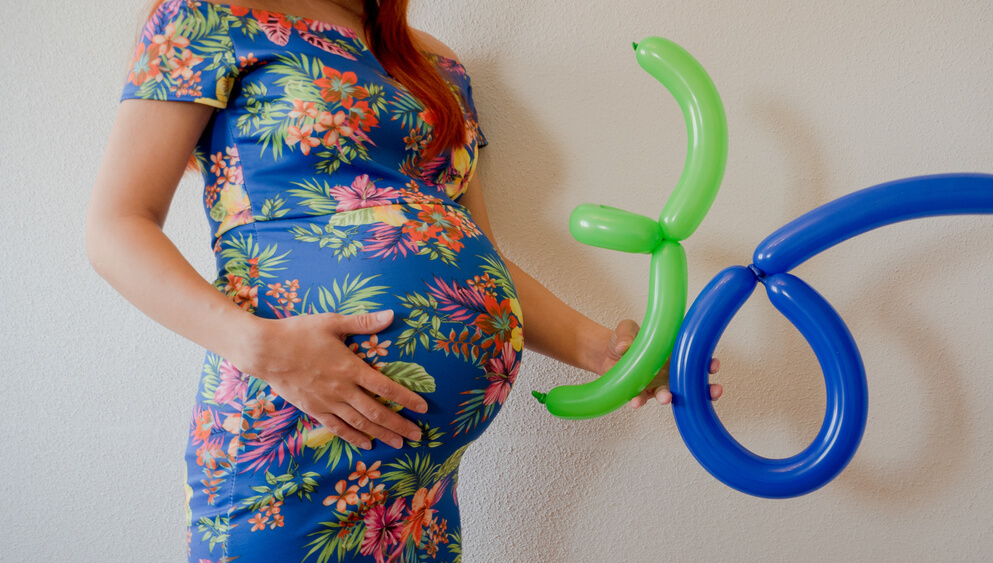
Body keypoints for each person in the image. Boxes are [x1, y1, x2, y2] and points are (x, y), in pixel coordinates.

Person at [86, 0, 723, 560]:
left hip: (418, 485)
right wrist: (260, 346)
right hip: (294, 433)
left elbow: (478, 256)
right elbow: (116, 225)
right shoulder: (210, 14)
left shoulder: (434, 64)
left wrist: (610, 352)